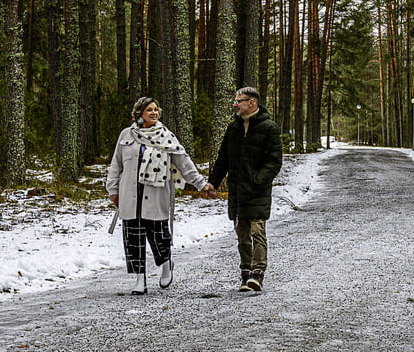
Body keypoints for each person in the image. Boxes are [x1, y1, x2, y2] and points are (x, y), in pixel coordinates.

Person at [107, 97, 215, 294]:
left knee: (159, 236)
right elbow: (116, 165)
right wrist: (113, 190)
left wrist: (201, 184)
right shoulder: (126, 135)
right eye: (149, 110)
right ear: (139, 114)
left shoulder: (166, 137)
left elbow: (184, 162)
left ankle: (165, 263)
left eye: (156, 109)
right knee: (133, 237)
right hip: (130, 195)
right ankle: (140, 280)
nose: (154, 113)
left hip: (156, 195)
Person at [203, 87, 283, 292]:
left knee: (258, 231)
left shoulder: (269, 128)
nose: (235, 104)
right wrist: (213, 182)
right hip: (237, 192)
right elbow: (223, 159)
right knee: (242, 234)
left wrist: (258, 180)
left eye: (239, 101)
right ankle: (245, 272)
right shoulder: (233, 129)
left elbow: (274, 161)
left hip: (258, 191)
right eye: (235, 101)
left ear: (252, 103)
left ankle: (258, 273)